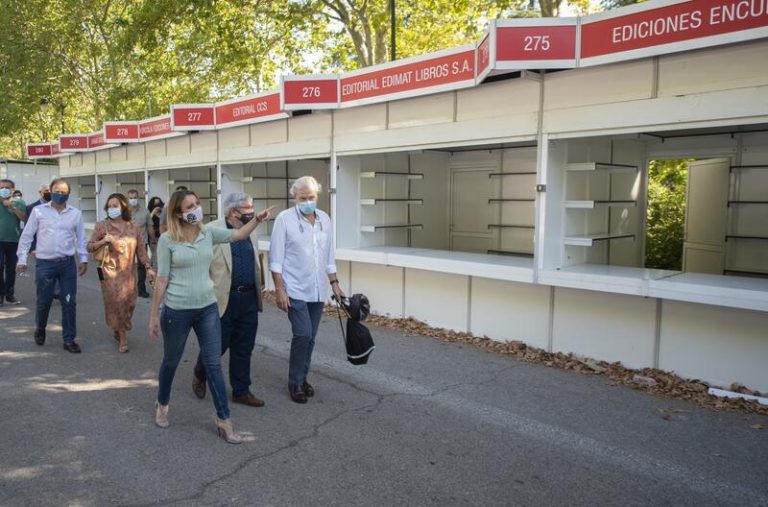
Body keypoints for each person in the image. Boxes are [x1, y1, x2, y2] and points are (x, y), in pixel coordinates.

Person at [148, 190, 273, 443]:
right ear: (178, 213)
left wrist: (257, 219)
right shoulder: (167, 240)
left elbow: (238, 234)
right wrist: (153, 315)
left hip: (207, 307)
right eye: (189, 206)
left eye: (197, 203)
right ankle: (162, 404)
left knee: (213, 364)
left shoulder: (208, 233)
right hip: (176, 311)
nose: (196, 208)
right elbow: (161, 279)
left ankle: (224, 421)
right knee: (171, 361)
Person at [269, 176, 344, 404]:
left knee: (311, 338)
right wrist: (279, 289)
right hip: (294, 289)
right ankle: (294, 381)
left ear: (317, 196)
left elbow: (328, 256)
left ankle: (302, 377)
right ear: (294, 197)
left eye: (311, 197)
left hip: (318, 289)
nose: (308, 201)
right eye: (303, 198)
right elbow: (275, 260)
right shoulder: (284, 220)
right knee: (302, 334)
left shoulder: (324, 219)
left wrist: (335, 283)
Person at [192, 193, 270, 408]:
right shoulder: (211, 230)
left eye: (252, 206)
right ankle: (200, 371)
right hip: (221, 299)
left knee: (244, 347)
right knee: (218, 345)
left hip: (248, 299)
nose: (251, 212)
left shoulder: (252, 230)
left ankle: (241, 390)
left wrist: (260, 283)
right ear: (233, 211)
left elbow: (257, 259)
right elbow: (201, 265)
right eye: (247, 208)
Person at [17, 178, 88, 353]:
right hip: (45, 265)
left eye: (64, 192)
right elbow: (27, 236)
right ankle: (40, 328)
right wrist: (22, 259)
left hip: (67, 265)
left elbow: (81, 238)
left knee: (69, 302)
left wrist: (84, 259)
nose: (60, 194)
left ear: (69, 194)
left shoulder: (75, 214)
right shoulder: (38, 212)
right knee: (44, 301)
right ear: (50, 190)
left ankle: (69, 339)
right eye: (57, 190)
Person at [87, 193, 155, 353]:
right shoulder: (101, 226)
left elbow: (141, 251)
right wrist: (103, 241)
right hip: (108, 272)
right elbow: (89, 247)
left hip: (128, 274)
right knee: (116, 303)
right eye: (109, 206)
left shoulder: (134, 227)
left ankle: (119, 327)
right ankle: (123, 337)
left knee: (129, 304)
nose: (112, 209)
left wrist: (148, 267)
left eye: (115, 205)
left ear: (123, 207)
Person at [0, 179, 26, 306]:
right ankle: (0, 295)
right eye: (2, 187)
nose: (4, 189)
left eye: (7, 187)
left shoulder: (19, 202)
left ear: (13, 189)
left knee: (11, 269)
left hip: (13, 240)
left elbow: (23, 218)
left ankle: (9, 294)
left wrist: (11, 205)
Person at [127, 189, 150, 297]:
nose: (133, 200)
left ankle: (141, 289)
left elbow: (150, 228)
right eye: (131, 198)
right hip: (127, 244)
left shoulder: (145, 212)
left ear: (138, 198)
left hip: (142, 243)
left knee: (142, 267)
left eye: (135, 197)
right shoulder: (123, 213)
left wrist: (153, 242)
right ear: (128, 199)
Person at [146, 196, 164, 269]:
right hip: (154, 237)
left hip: (163, 237)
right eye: (155, 205)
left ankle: (151, 268)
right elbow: (147, 221)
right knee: (155, 254)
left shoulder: (163, 213)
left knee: (161, 254)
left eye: (158, 204)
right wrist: (153, 212)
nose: (157, 206)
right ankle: (155, 270)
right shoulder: (149, 214)